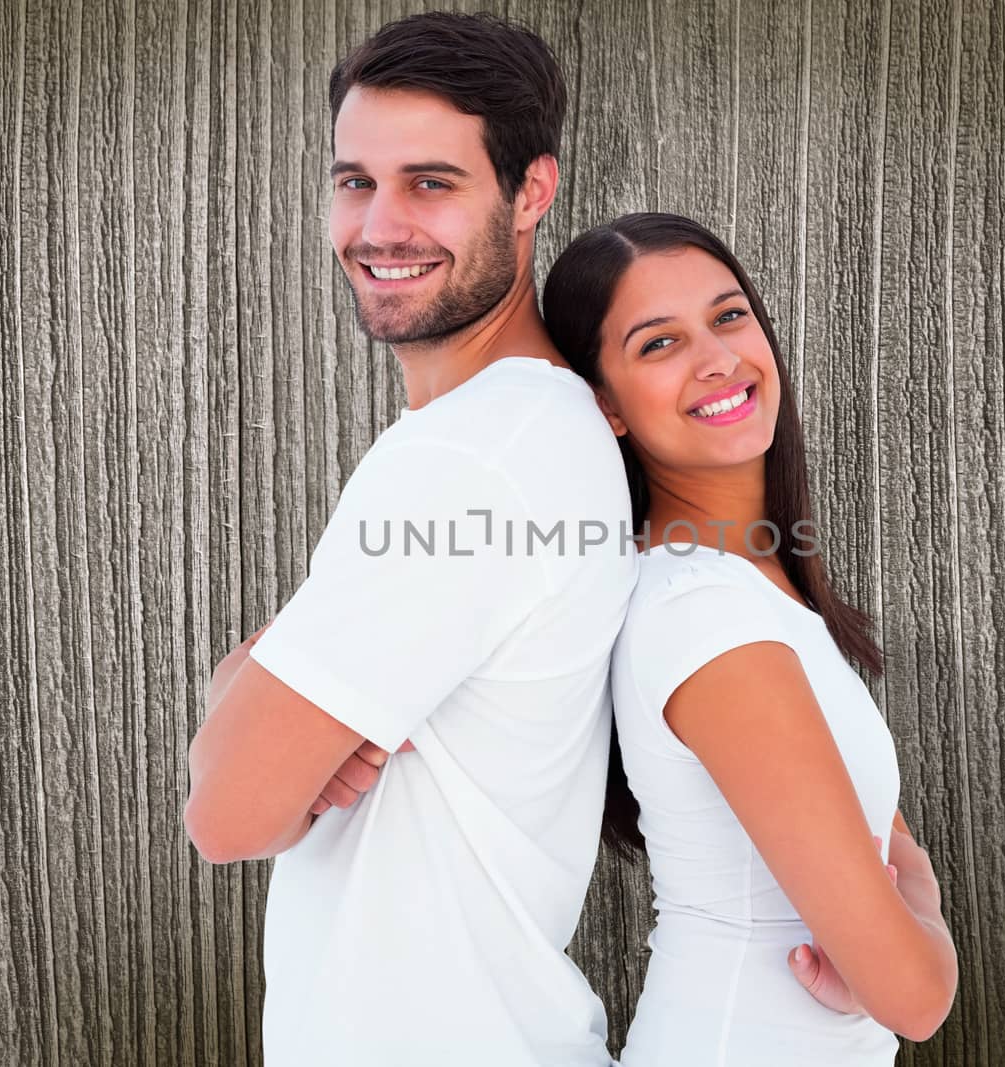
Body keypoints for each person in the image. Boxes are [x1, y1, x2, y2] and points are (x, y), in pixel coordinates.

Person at [182, 14, 636, 1066]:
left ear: (530, 191)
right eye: (354, 181)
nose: (379, 226)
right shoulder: (515, 430)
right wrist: (253, 722)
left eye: (431, 182)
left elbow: (229, 813)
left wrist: (238, 708)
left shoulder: (473, 456)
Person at [541, 212, 959, 1064]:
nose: (718, 358)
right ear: (606, 405)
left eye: (729, 316)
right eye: (659, 343)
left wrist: (907, 900)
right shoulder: (705, 614)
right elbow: (911, 993)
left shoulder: (749, 589)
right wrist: (928, 934)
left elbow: (885, 831)